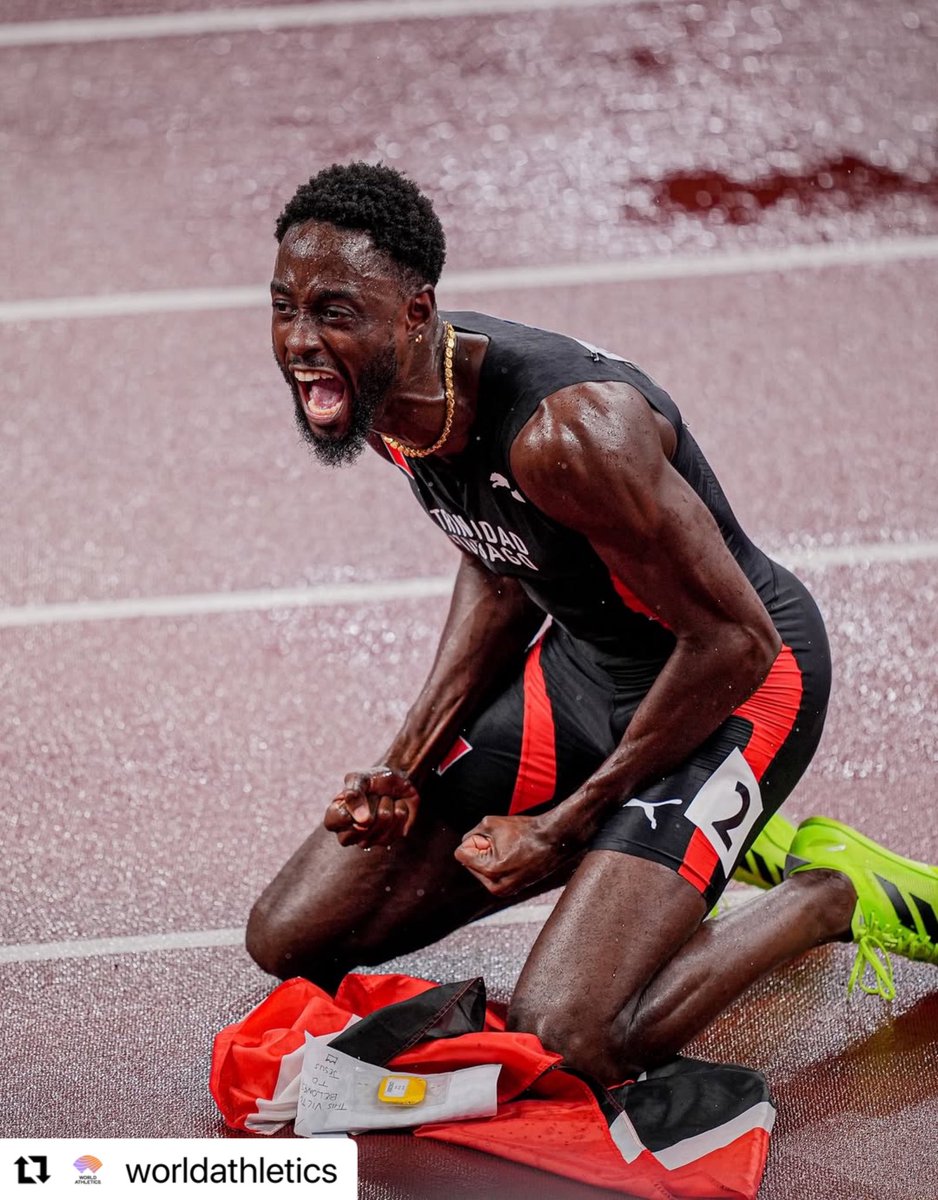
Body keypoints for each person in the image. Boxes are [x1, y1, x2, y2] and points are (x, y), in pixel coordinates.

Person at [246, 162, 938, 1082]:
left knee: (573, 1037)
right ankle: (688, 849)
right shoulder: (383, 396)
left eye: (333, 311)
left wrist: (568, 826)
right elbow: (499, 564)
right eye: (284, 307)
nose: (301, 340)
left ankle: (824, 893)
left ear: (416, 314)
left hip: (735, 691)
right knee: (289, 935)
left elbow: (736, 642)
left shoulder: (570, 436)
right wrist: (402, 765)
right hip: (587, 675)